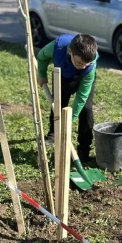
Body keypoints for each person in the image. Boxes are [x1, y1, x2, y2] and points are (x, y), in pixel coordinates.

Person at [36, 33, 98, 162]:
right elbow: (41, 56)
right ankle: (53, 134)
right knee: (58, 104)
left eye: (87, 63)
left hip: (83, 79)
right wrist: (41, 74)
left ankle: (84, 147)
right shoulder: (57, 47)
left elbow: (81, 97)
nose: (83, 66)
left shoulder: (89, 66)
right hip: (62, 76)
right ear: (70, 51)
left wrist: (68, 121)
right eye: (80, 62)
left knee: (86, 109)